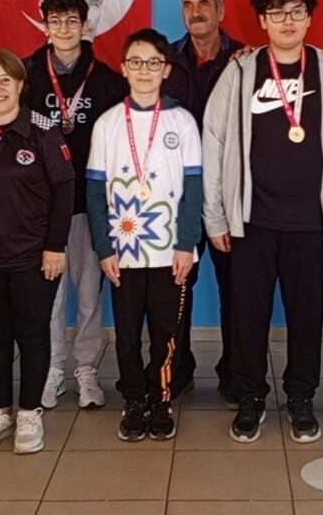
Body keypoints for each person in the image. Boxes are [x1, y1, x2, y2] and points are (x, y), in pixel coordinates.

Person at [203, 0, 323, 444]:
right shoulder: (240, 72)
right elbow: (213, 141)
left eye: (296, 11)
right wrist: (215, 214)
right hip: (251, 220)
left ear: (309, 18)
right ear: (262, 21)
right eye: (277, 13)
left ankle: (301, 398)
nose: (287, 21)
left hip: (312, 222)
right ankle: (251, 398)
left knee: (306, 317)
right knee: (248, 316)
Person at [0, 48, 75, 454]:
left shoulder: (43, 130)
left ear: (20, 84)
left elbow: (64, 189)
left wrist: (55, 245)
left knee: (33, 334)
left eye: (5, 80)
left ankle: (29, 413)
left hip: (34, 257)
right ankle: (0, 412)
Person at [87, 29, 203, 441]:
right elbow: (95, 191)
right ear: (123, 68)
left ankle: (161, 397)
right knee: (127, 335)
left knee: (165, 334)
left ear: (166, 70)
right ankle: (134, 399)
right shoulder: (107, 124)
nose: (144, 70)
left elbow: (193, 190)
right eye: (135, 62)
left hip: (170, 252)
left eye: (153, 62)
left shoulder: (182, 121)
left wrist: (187, 244)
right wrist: (103, 247)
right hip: (123, 251)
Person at [25, 0, 129, 411]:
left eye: (72, 20)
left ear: (86, 25)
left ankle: (87, 368)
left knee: (89, 296)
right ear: (45, 26)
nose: (64, 28)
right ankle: (52, 368)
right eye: (56, 21)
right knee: (49, 298)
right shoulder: (27, 75)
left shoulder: (108, 80)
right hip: (42, 208)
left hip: (90, 205)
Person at [168, 0, 243, 403]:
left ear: (220, 9)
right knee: (177, 286)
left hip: (229, 193)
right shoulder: (164, 59)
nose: (195, 12)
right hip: (178, 194)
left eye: (203, 3)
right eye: (187, 4)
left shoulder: (245, 60)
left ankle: (234, 372)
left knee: (237, 288)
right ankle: (178, 370)